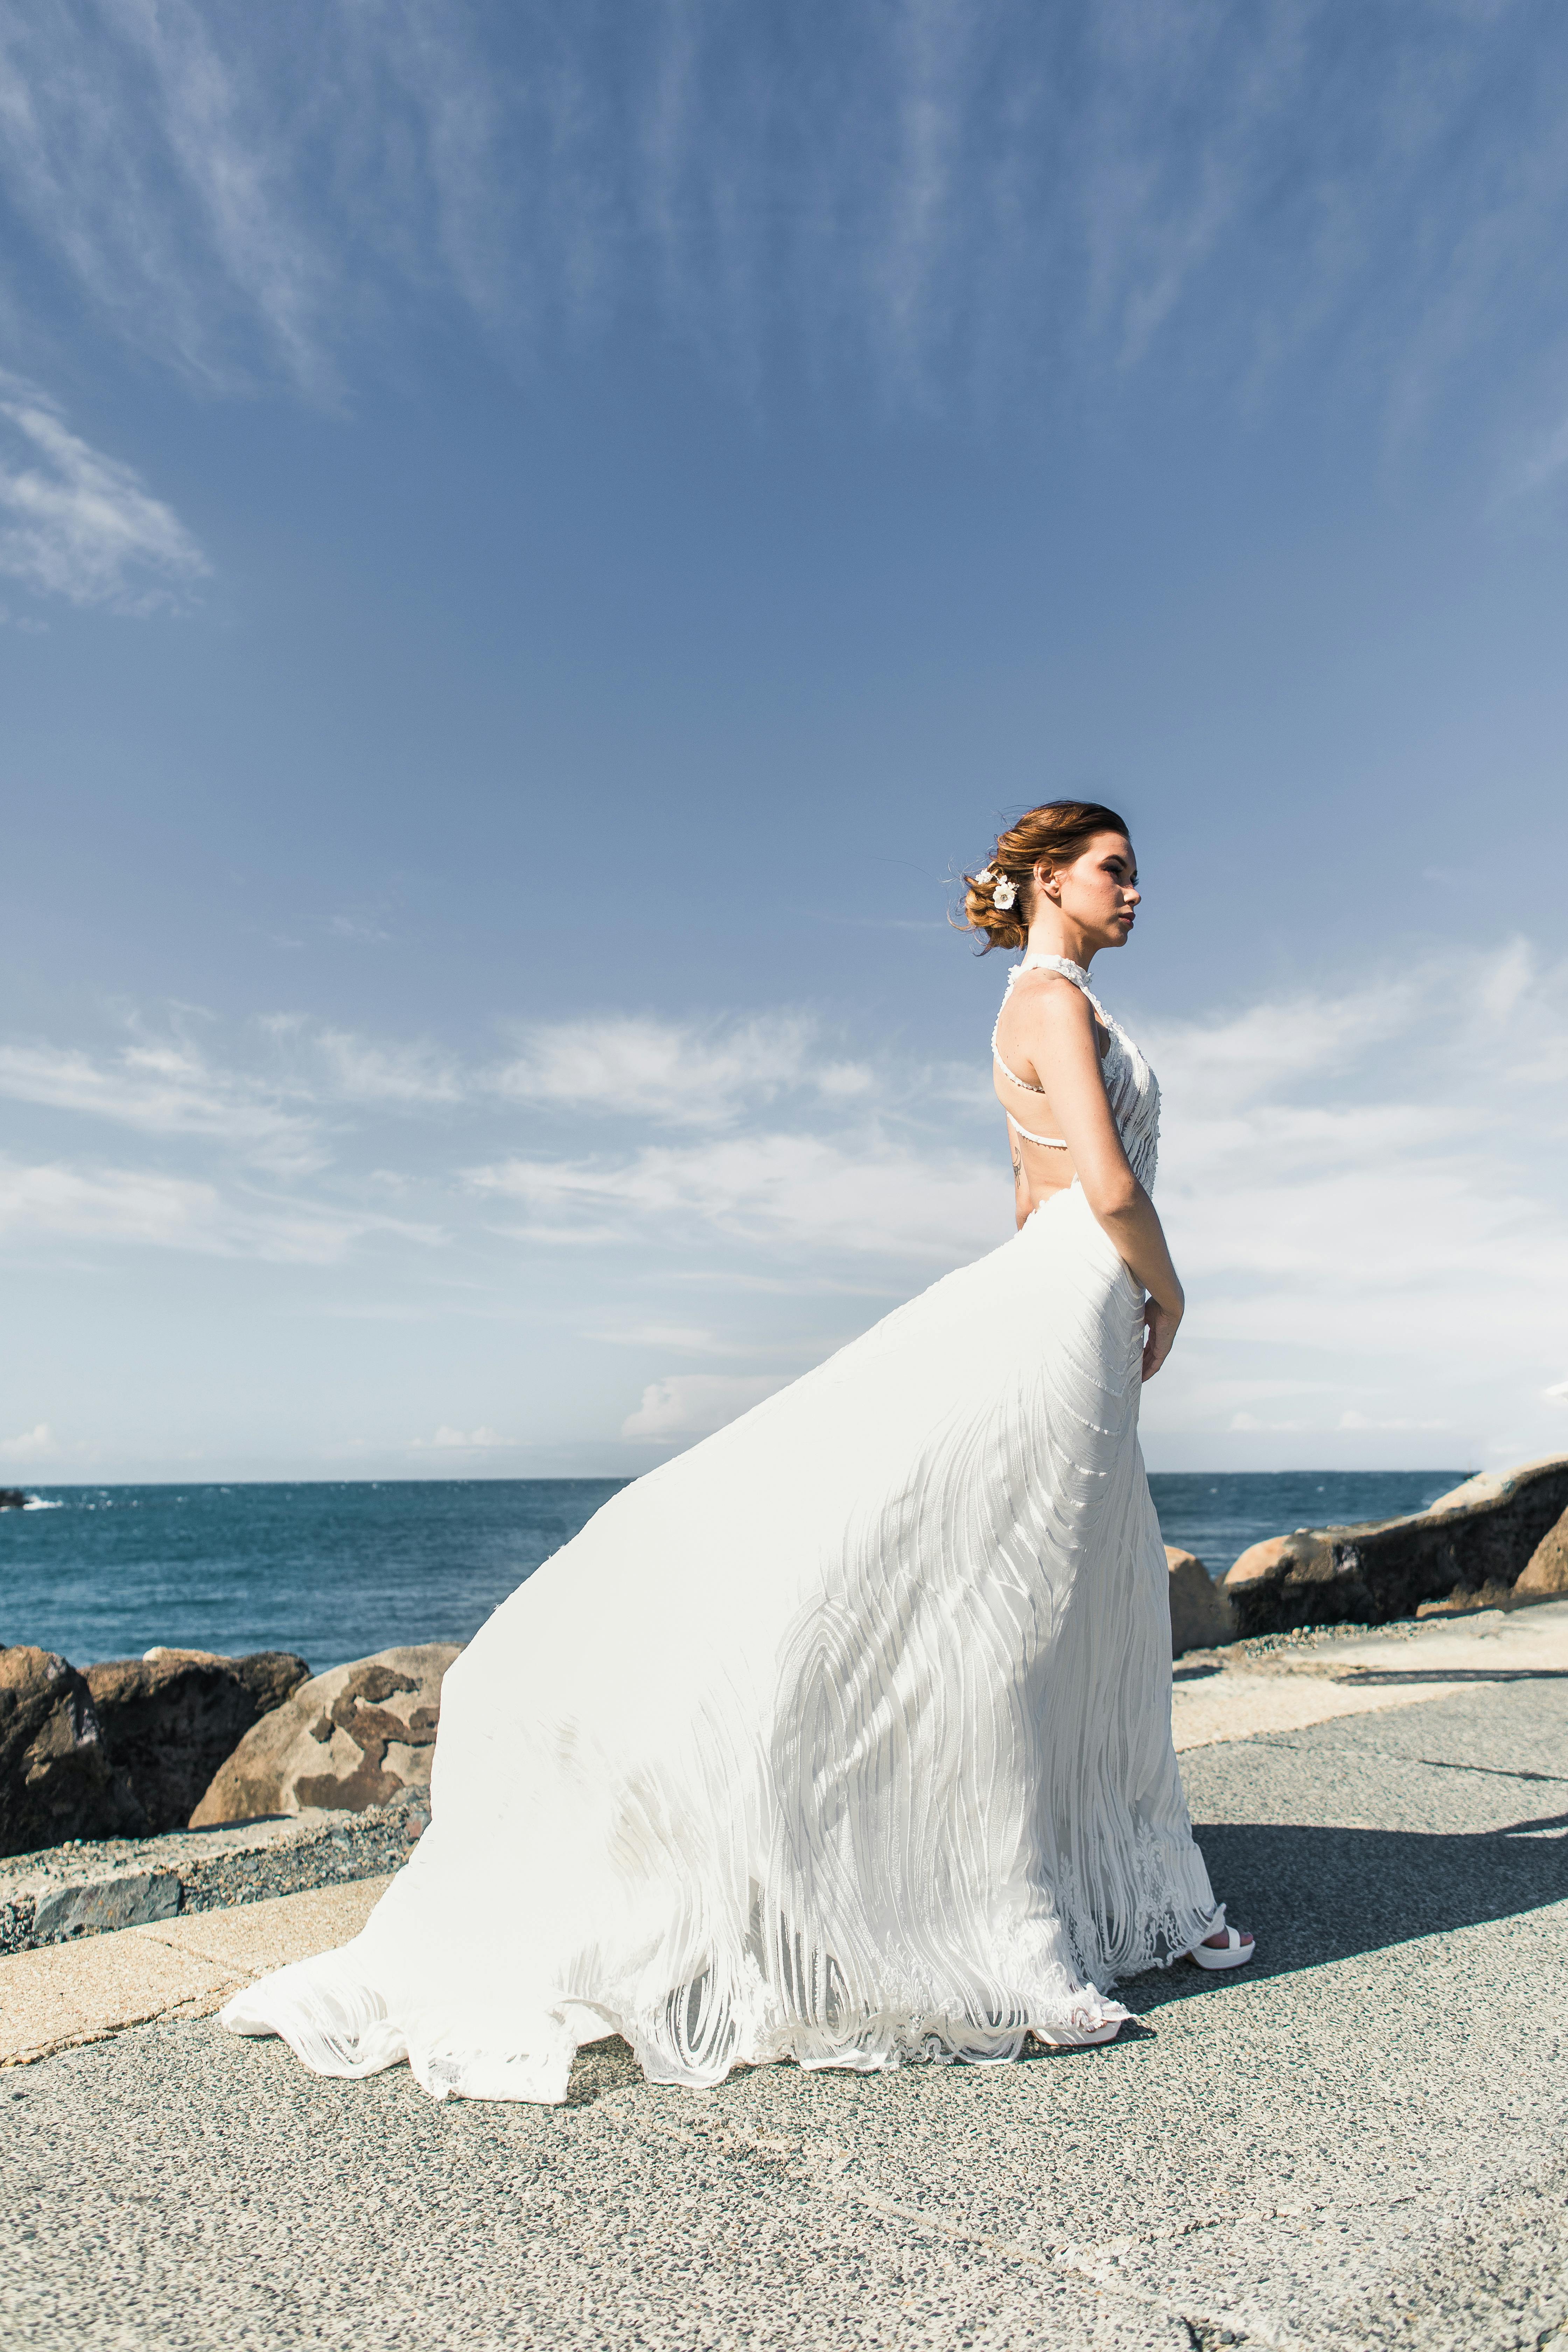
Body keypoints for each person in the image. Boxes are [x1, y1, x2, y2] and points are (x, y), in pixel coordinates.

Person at [224, 798, 1252, 2106]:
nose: (1136, 892)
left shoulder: (1045, 1013)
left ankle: (1129, 1894)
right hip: (1083, 1292)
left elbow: (1025, 1191)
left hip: (1066, 1308)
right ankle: (1020, 1927)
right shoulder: (1049, 1002)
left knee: (1066, 1611)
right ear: (1049, 882)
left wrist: (1106, 1307)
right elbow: (1102, 1192)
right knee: (1009, 1616)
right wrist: (1173, 1294)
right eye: (1115, 871)